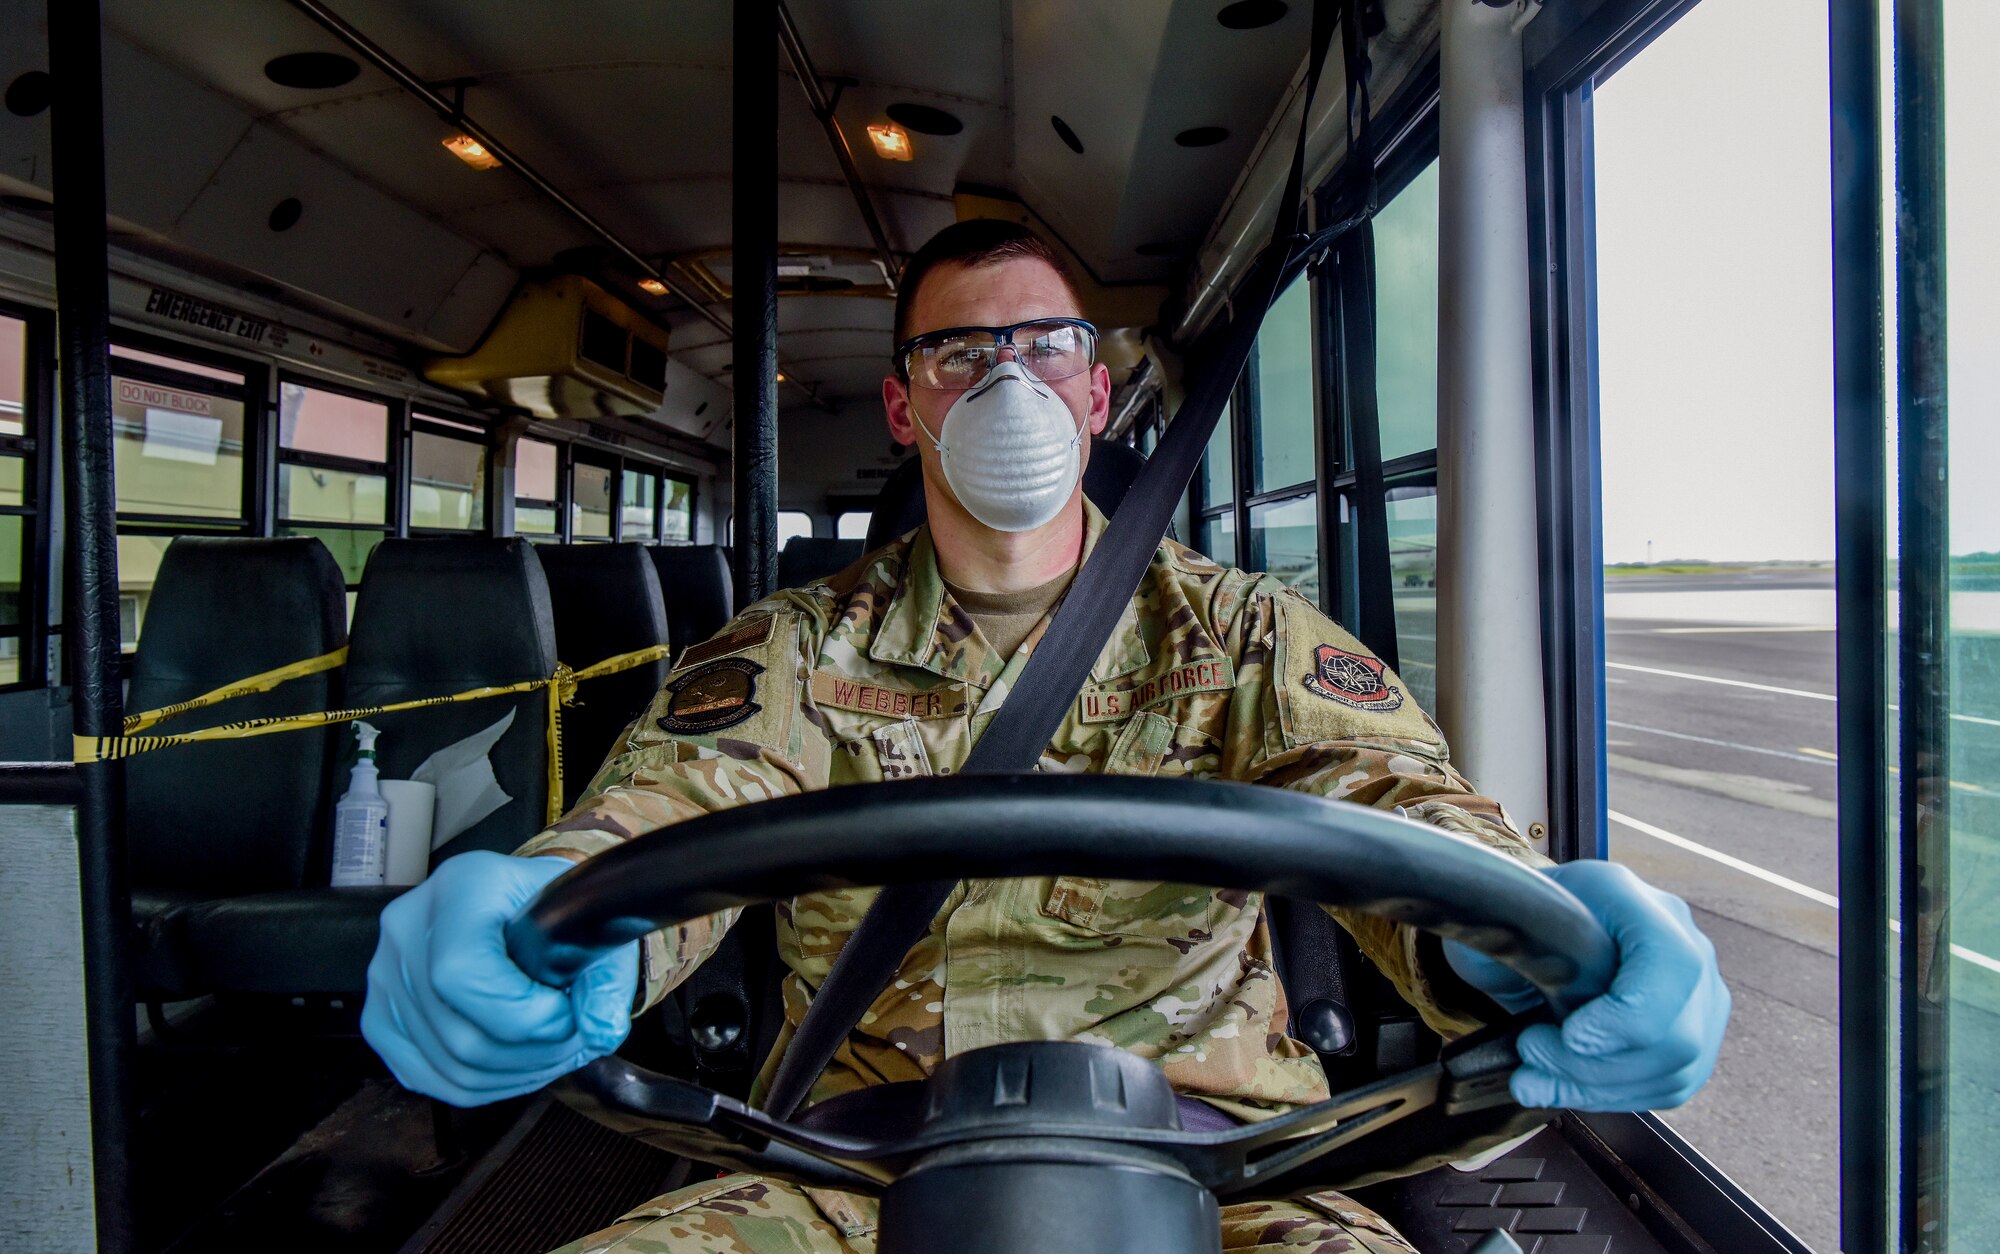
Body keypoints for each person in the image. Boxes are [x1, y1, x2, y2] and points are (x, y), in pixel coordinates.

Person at [363, 220, 1730, 1253]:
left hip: (1231, 1172)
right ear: (908, 407)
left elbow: (1391, 800)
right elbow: (668, 807)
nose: (1004, 379)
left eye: (1044, 346)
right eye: (961, 351)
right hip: (847, 1170)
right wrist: (539, 918)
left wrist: (1538, 940)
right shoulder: (794, 646)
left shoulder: (1249, 636)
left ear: (1096, 395)